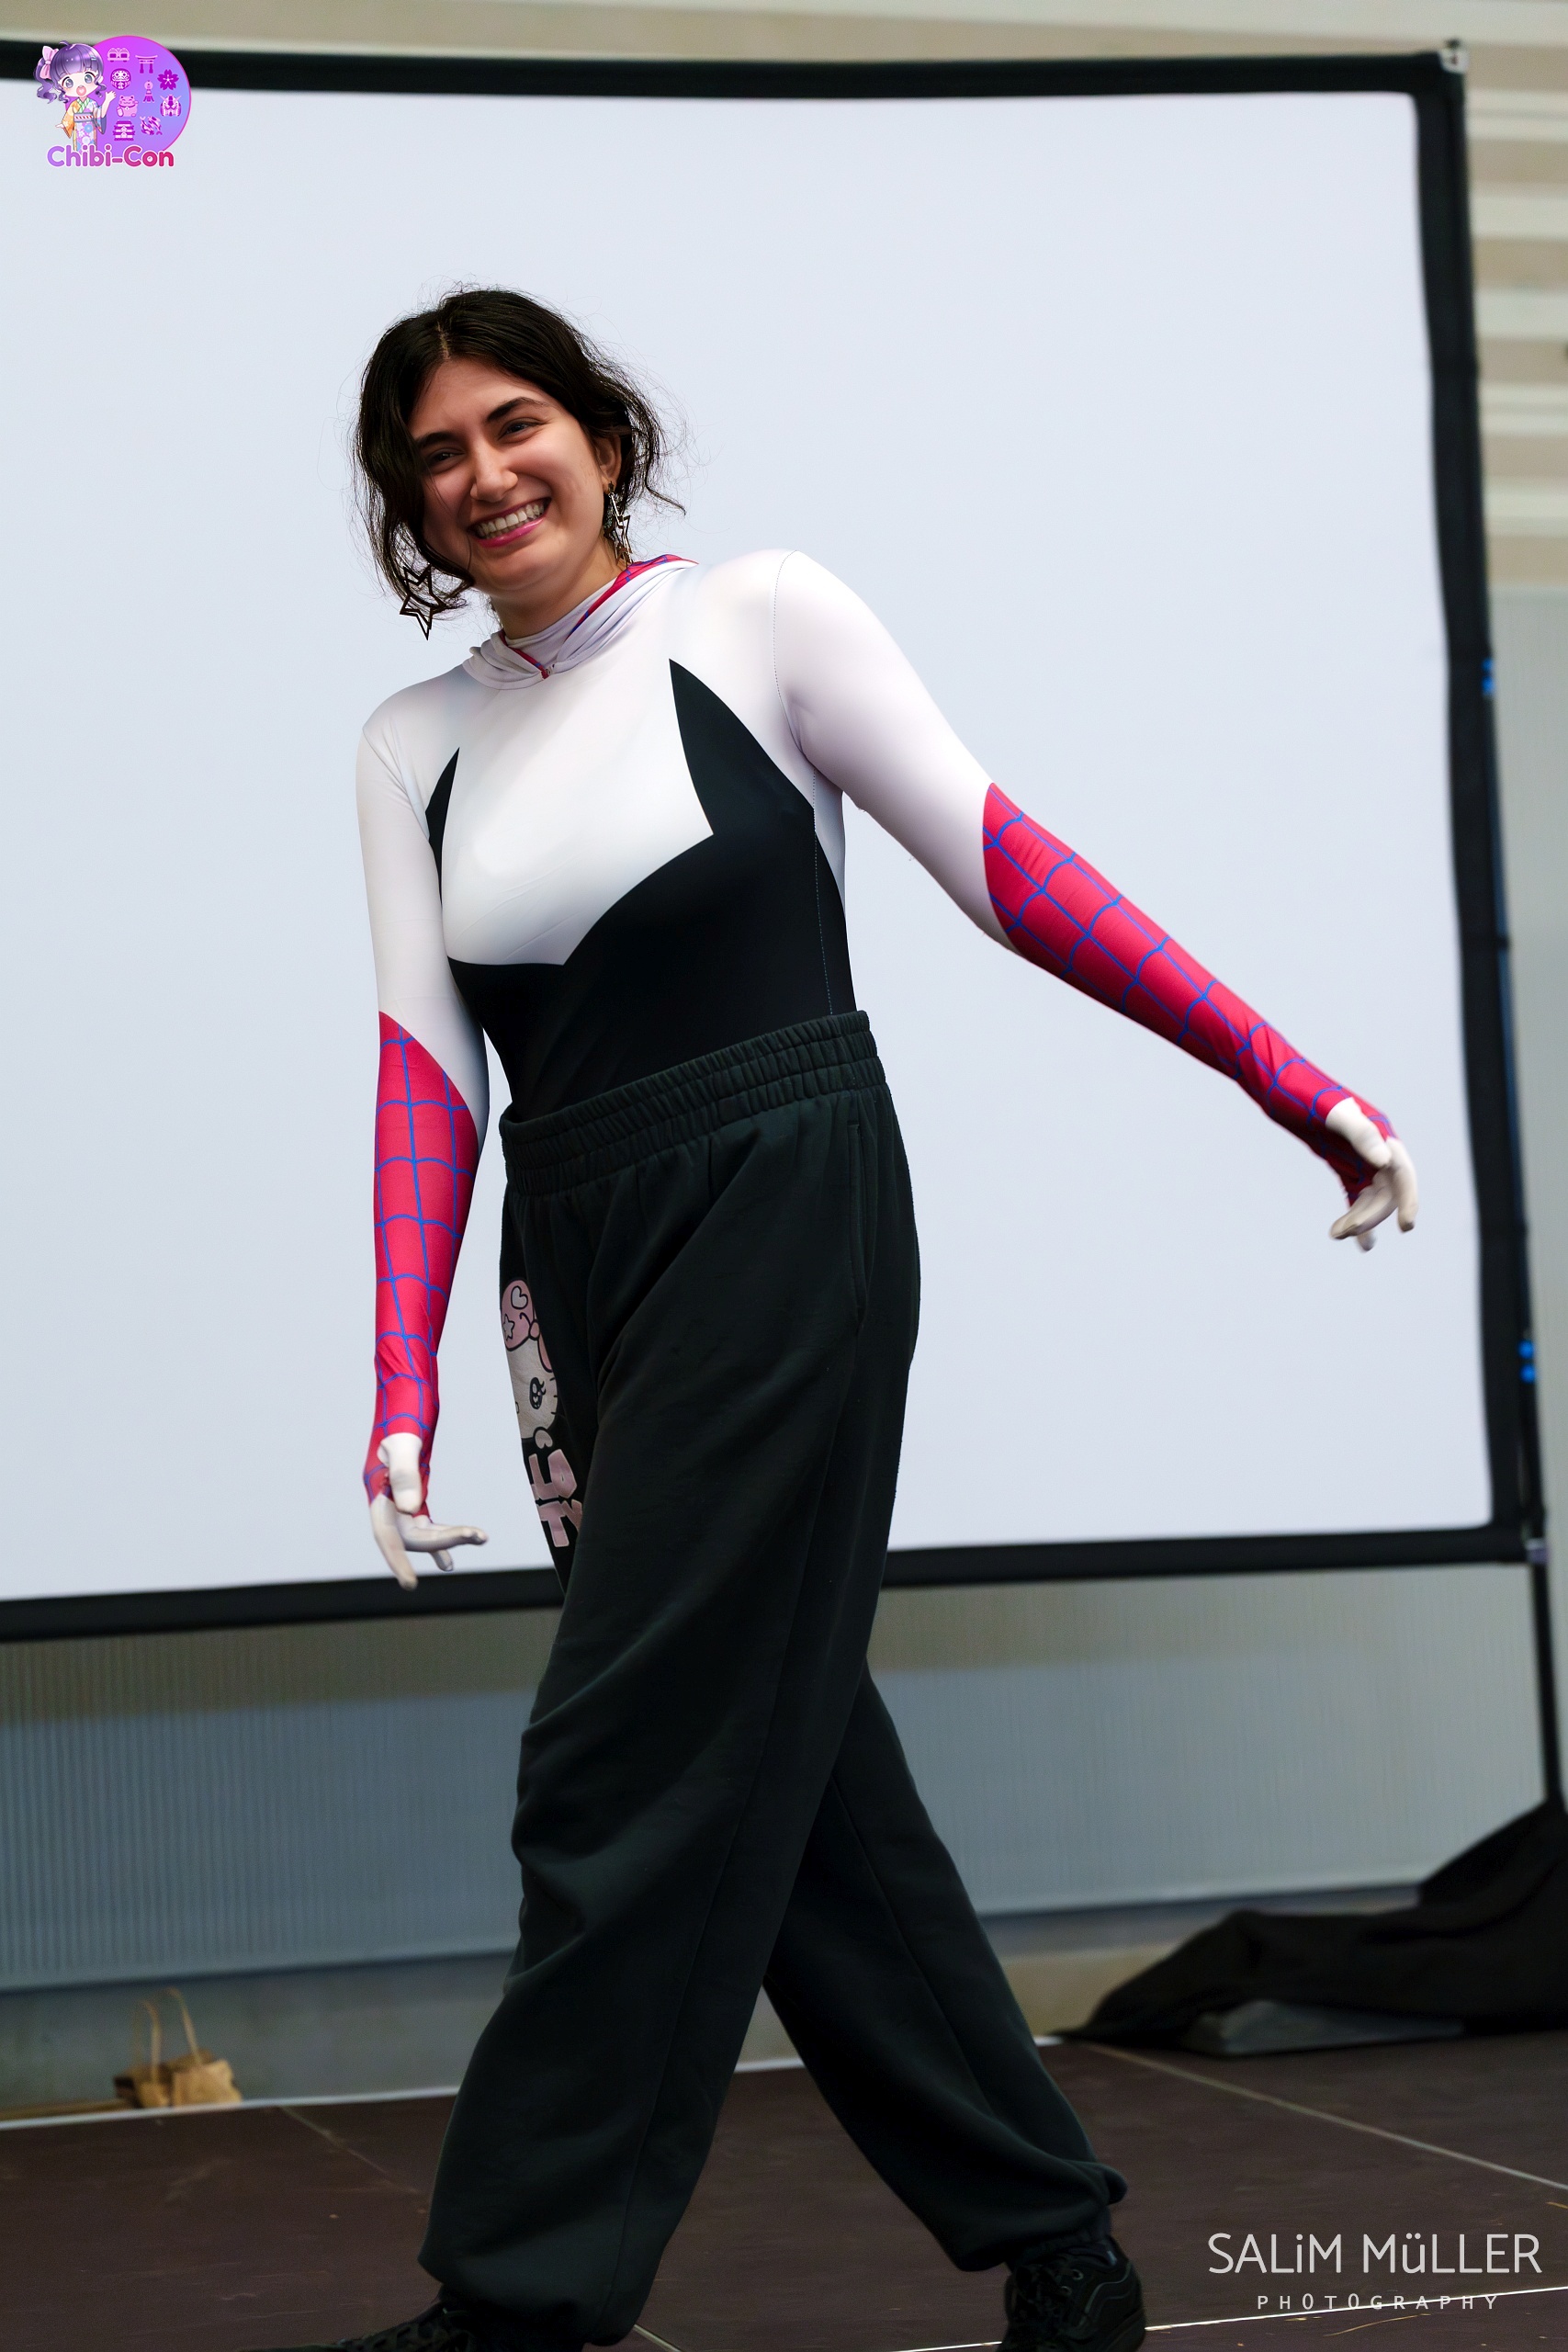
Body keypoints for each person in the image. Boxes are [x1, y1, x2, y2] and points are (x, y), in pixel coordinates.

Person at [255, 288, 1416, 2352]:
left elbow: (1007, 864)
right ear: (408, 511)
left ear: (603, 438)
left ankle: (518, 2302)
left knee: (618, 1754)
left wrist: (1278, 1072)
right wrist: (396, 1377)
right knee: (794, 1781)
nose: (484, 475)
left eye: (515, 424)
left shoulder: (761, 617)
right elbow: (425, 1073)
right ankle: (1057, 2243)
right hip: (572, 1254)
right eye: (434, 457)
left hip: (781, 1198)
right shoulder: (405, 744)